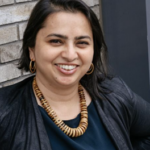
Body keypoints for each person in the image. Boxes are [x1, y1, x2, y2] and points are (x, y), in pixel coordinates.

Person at [0, 0, 150, 149]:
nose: (70, 55)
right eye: (56, 41)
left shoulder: (116, 93)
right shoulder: (5, 112)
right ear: (31, 49)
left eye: (82, 42)